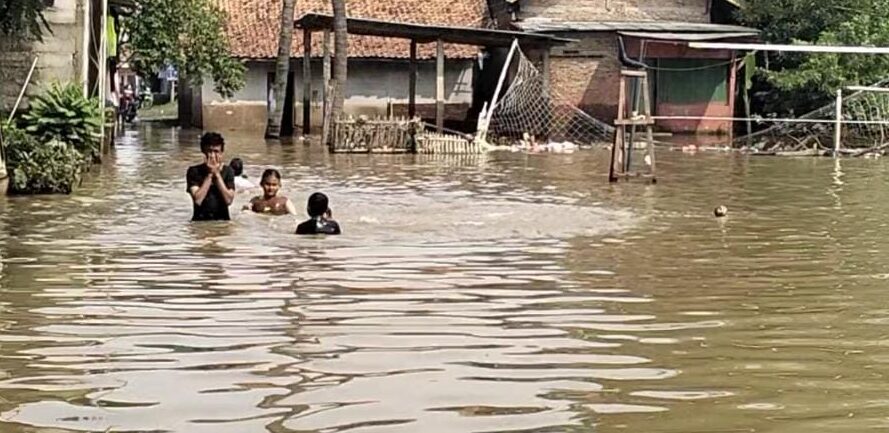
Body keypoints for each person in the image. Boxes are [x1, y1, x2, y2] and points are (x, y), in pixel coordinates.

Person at [186, 132, 235, 221]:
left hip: (222, 223)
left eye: (216, 152)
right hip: (200, 224)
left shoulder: (228, 171)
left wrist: (217, 174)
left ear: (221, 153)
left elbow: (228, 200)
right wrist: (209, 175)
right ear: (203, 151)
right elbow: (198, 200)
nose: (212, 156)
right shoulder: (194, 171)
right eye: (209, 151)